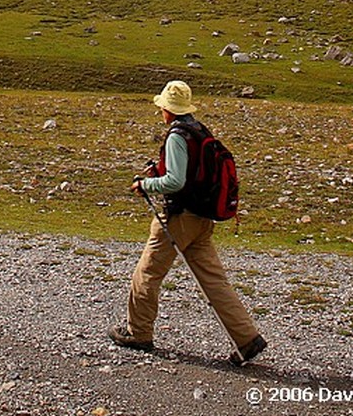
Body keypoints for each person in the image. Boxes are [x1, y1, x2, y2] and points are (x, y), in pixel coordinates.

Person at [108, 80, 266, 365]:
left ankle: (138, 332)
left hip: (179, 219)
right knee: (214, 280)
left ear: (168, 109)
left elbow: (176, 181)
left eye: (163, 108)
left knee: (146, 274)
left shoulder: (177, 136)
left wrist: (146, 184)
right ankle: (246, 338)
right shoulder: (199, 130)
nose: (162, 113)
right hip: (202, 219)